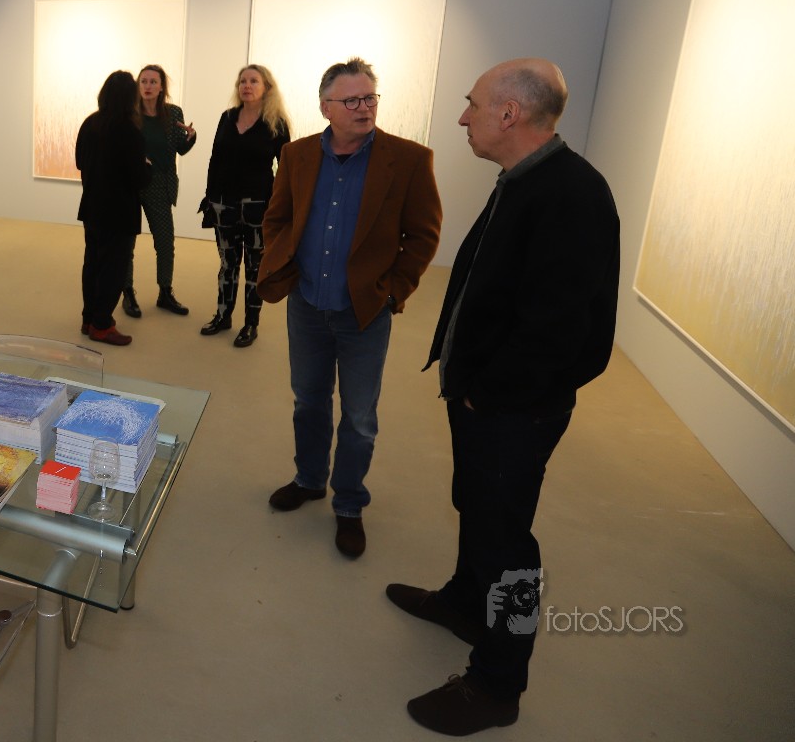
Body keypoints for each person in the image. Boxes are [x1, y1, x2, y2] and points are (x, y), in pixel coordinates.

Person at [391, 59, 619, 736]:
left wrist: (487, 396)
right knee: (478, 506)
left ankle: (498, 684)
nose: (463, 117)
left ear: (510, 114)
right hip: (487, 397)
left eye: (473, 104)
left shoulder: (571, 195)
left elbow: (558, 330)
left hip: (515, 408)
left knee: (508, 542)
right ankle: (466, 601)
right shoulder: (526, 179)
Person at [256, 57, 441, 558]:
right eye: (352, 100)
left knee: (359, 417)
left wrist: (393, 291)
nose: (364, 108)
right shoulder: (296, 155)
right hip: (307, 305)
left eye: (370, 98)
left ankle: (350, 504)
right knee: (308, 401)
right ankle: (309, 479)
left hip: (365, 312)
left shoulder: (408, 160)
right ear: (326, 108)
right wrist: (284, 263)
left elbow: (423, 235)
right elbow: (277, 218)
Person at [198, 64, 291, 347]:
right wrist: (210, 197)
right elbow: (215, 159)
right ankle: (223, 315)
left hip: (258, 206)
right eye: (242, 81)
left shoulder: (276, 123)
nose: (246, 86)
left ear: (266, 87)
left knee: (254, 266)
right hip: (223, 203)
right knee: (227, 263)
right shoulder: (227, 118)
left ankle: (251, 323)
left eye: (253, 81)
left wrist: (279, 206)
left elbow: (285, 168)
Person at [75, 70, 152, 346]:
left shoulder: (90, 124)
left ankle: (89, 318)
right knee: (114, 269)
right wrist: (148, 167)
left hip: (92, 207)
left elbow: (79, 162)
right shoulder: (129, 131)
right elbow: (139, 178)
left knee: (93, 264)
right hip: (119, 212)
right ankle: (101, 325)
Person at [121, 64, 197, 319]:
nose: (148, 86)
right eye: (144, 81)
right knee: (126, 242)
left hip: (160, 183)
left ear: (162, 86)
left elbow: (180, 148)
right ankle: (127, 292)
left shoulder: (172, 113)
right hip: (132, 183)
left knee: (165, 241)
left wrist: (190, 137)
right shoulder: (129, 113)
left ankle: (165, 292)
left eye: (153, 82)